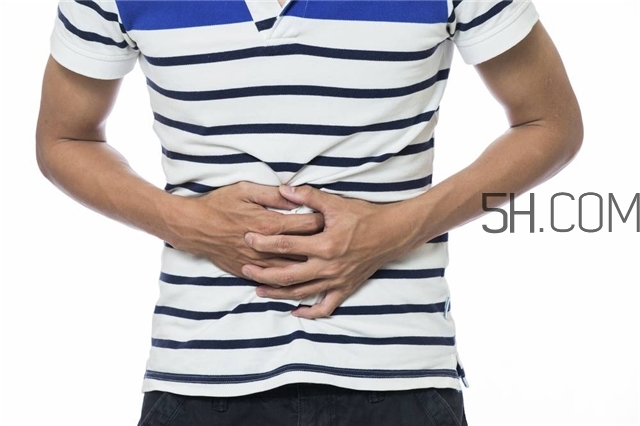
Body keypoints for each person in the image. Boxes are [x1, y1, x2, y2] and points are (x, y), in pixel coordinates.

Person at [36, 0, 582, 425]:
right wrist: (186, 223)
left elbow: (550, 125)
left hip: (396, 374)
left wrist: (396, 229)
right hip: (201, 375)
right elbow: (63, 139)